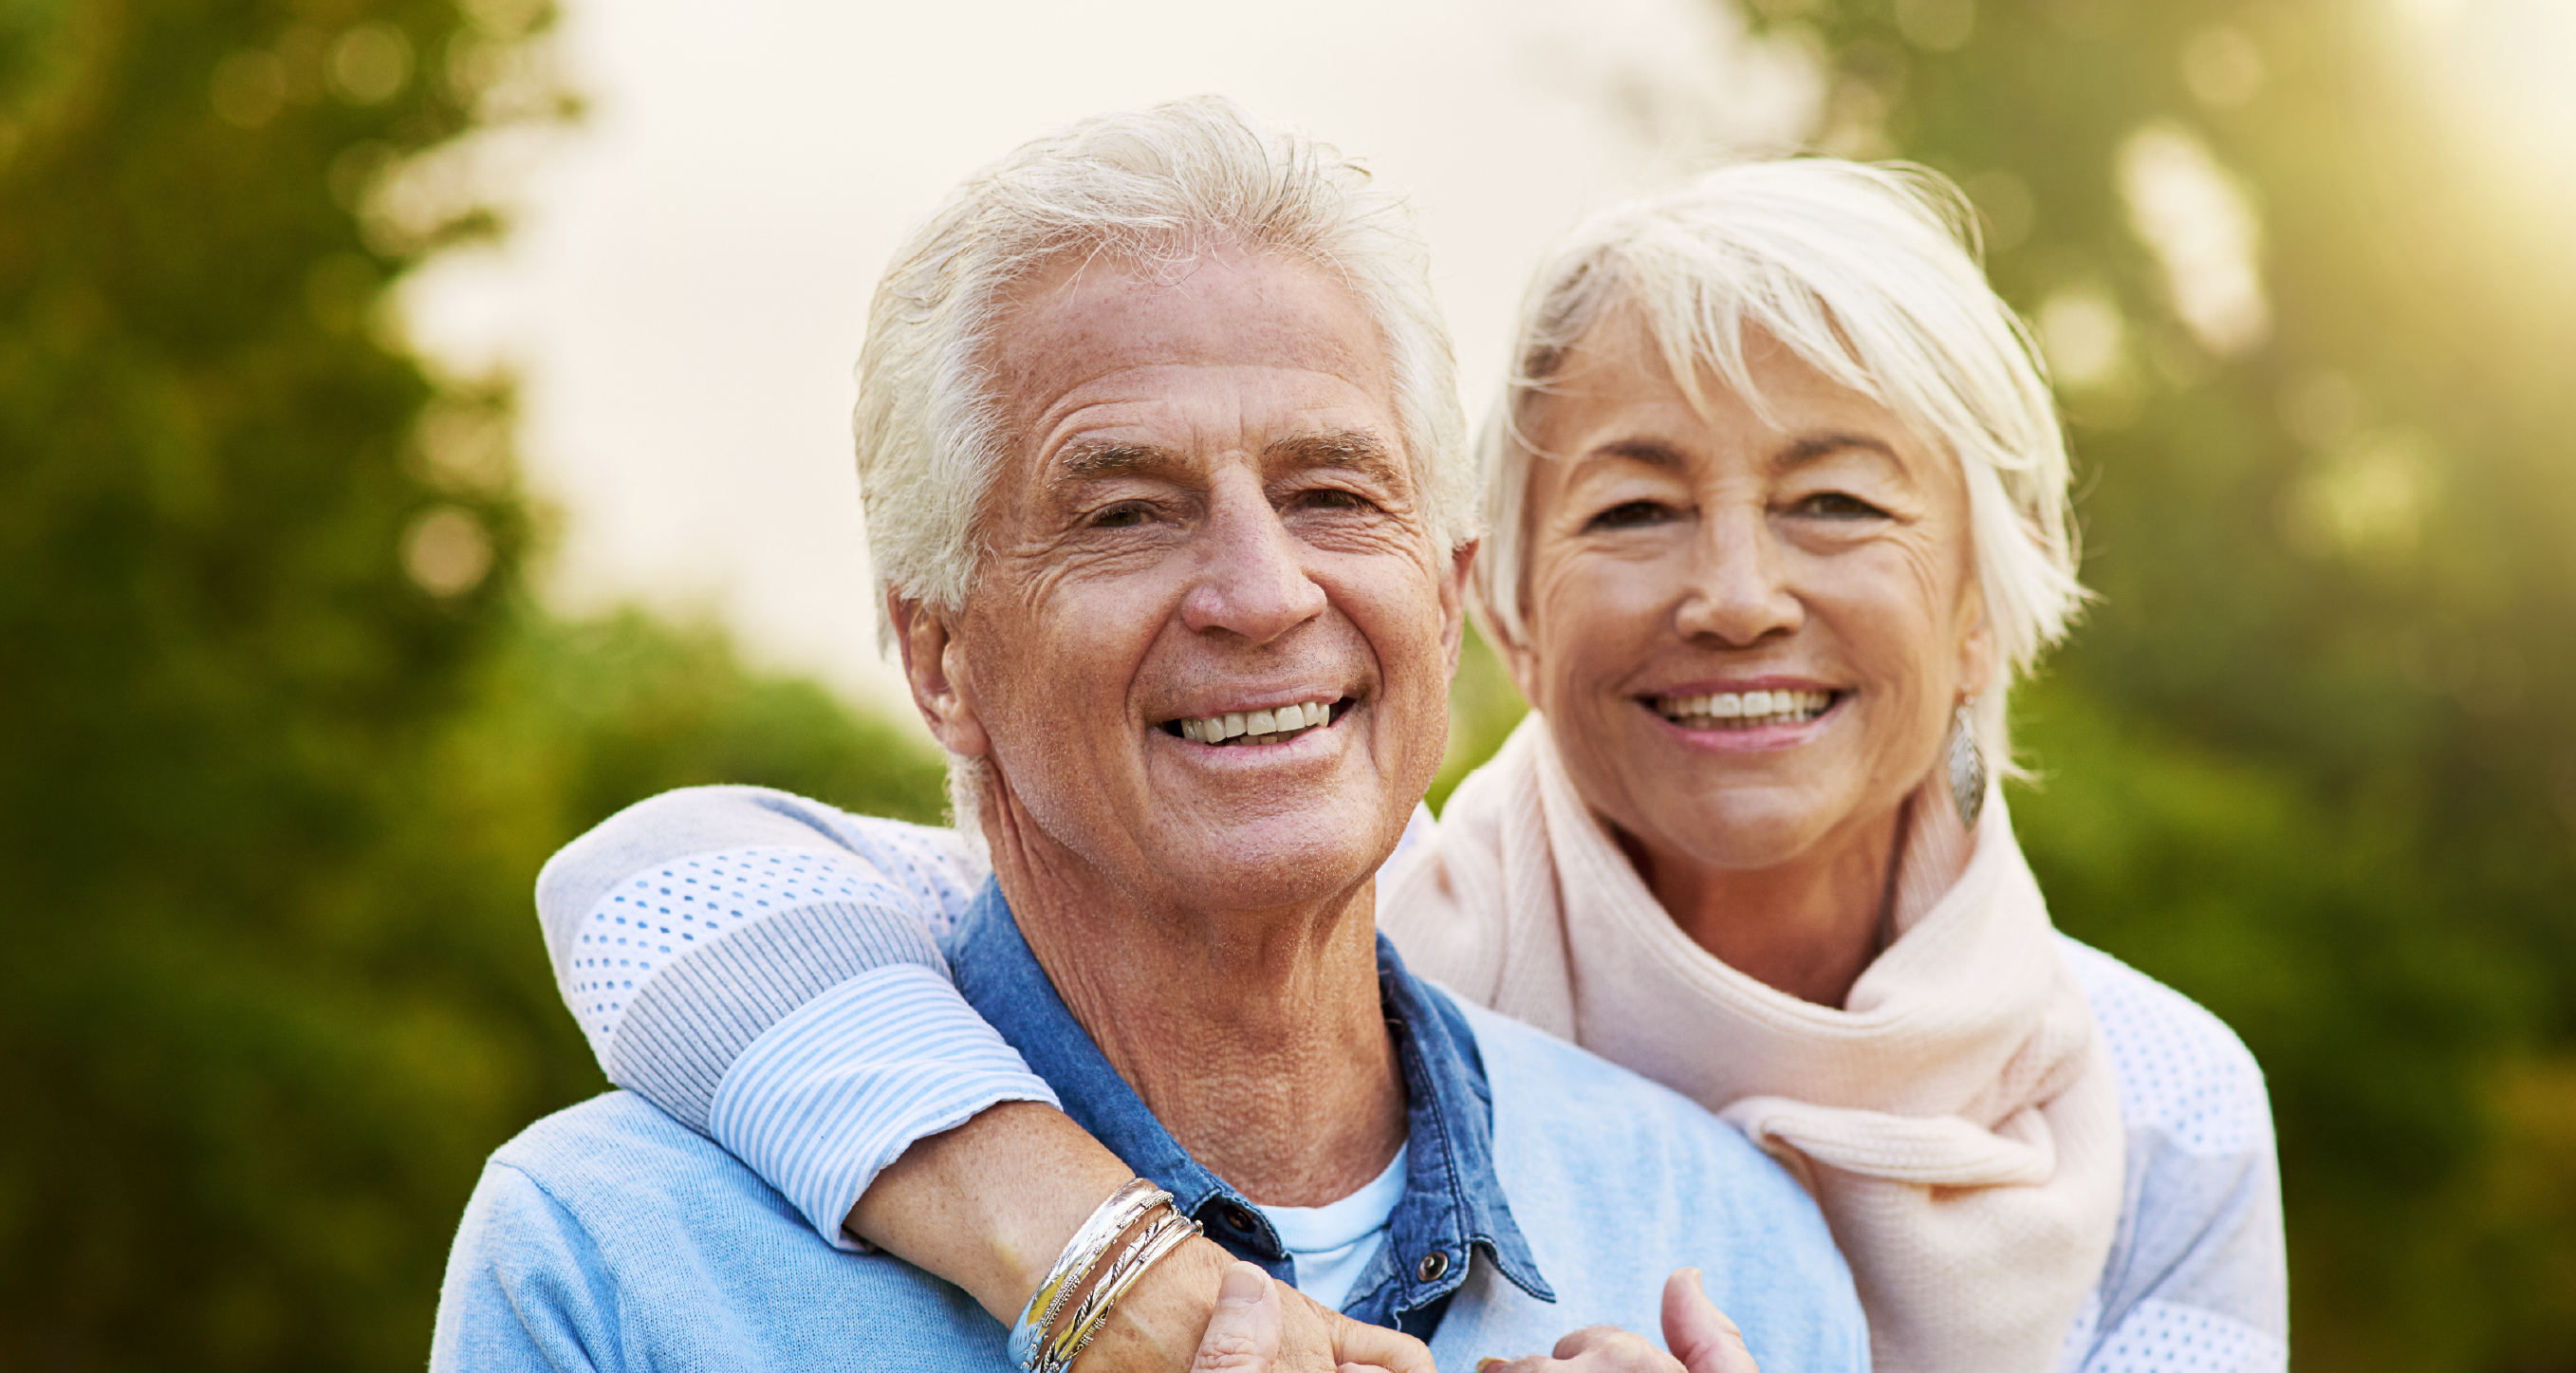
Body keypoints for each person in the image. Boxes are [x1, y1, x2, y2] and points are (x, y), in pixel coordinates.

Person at [522, 157, 2286, 1371]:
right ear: (1496, 602)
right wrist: (1109, 1266)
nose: (1736, 595)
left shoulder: (2152, 1103)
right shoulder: (1353, 926)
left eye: (1834, 501)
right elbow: (672, 893)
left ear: (1987, 599)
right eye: (1634, 509)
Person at [432, 97, 1869, 1373]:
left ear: (1442, 598)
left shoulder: (1730, 1245)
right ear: (940, 659)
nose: (1260, 593)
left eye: (1330, 492)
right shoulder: (615, 1263)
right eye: (1124, 512)